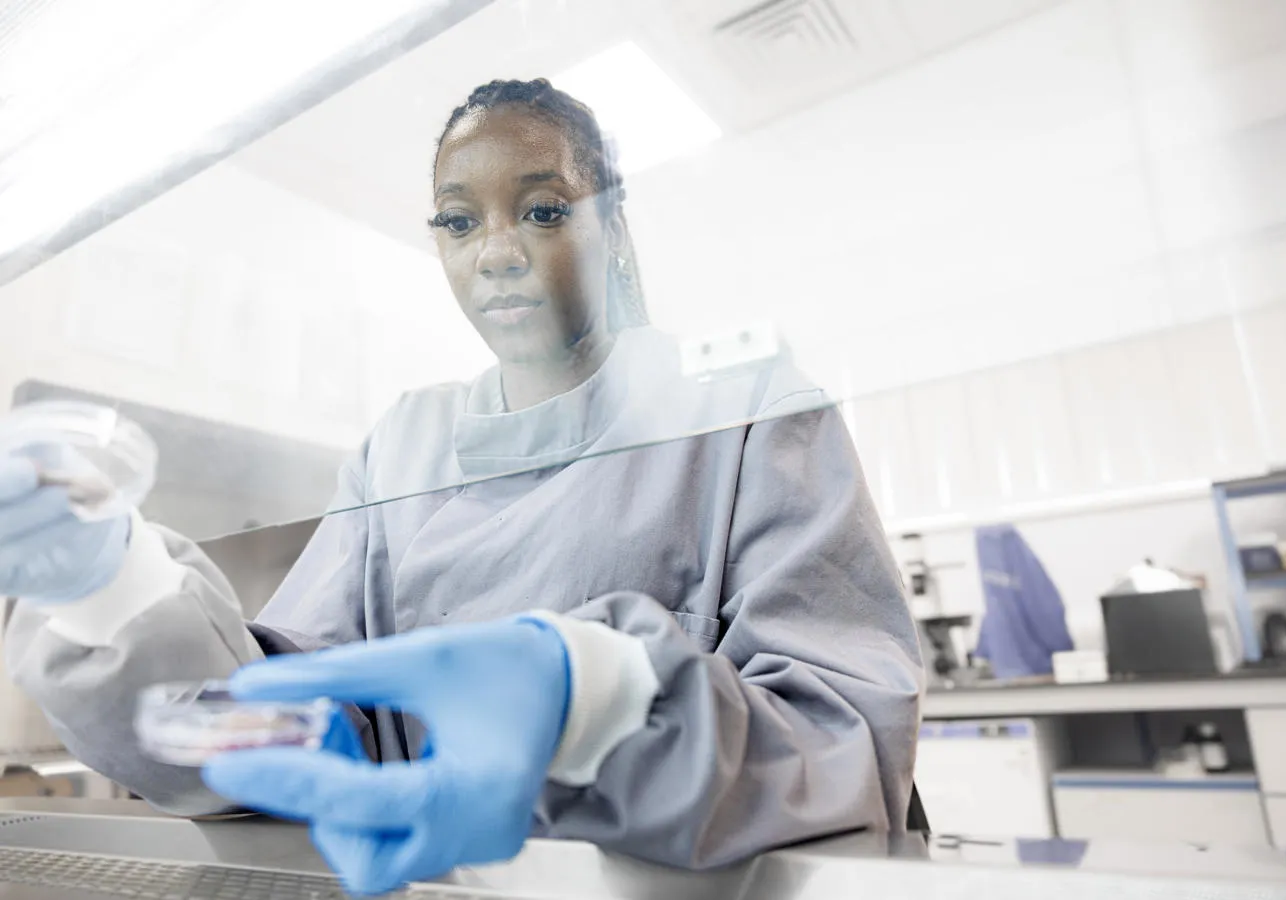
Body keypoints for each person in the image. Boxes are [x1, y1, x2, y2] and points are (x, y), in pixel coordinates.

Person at [1, 79, 923, 895]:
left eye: (543, 209)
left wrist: (597, 702)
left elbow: (843, 750)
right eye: (458, 221)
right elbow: (286, 723)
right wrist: (109, 591)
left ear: (614, 225)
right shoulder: (404, 445)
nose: (496, 252)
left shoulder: (744, 410)